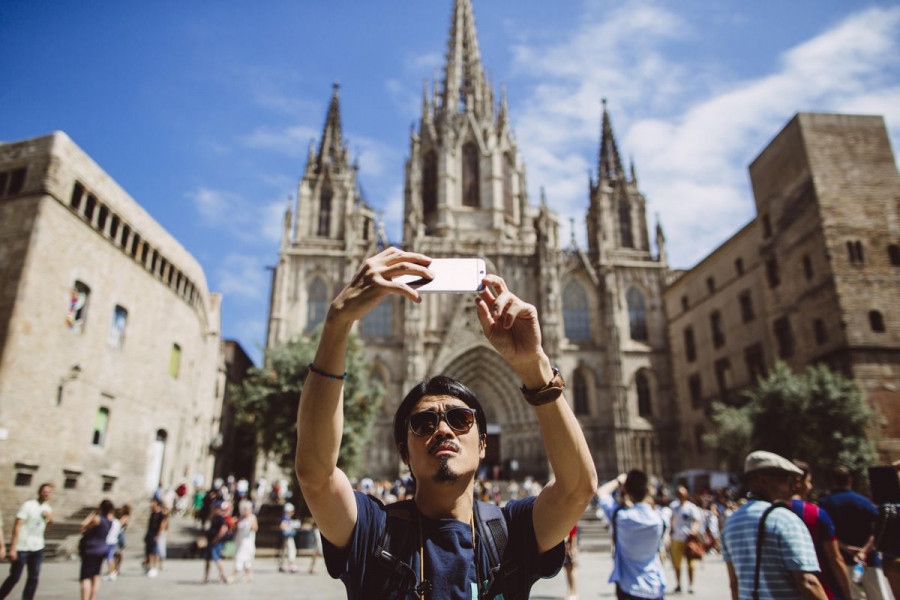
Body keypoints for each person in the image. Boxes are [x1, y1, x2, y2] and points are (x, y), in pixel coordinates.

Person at [294, 247, 598, 599]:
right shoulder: (373, 532)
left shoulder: (511, 533)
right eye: (423, 422)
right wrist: (337, 323)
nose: (443, 429)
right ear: (403, 452)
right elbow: (316, 476)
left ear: (484, 443)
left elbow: (578, 489)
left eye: (460, 418)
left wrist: (534, 365)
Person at [722, 450, 827, 600]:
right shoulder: (784, 519)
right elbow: (808, 582)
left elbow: (734, 584)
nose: (792, 486)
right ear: (763, 481)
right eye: (785, 480)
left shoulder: (731, 522)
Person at [819, 467, 893, 600]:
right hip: (869, 560)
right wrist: (864, 551)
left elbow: (826, 533)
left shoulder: (825, 504)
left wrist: (845, 547)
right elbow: (879, 529)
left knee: (853, 596)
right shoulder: (864, 502)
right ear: (850, 480)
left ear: (833, 482)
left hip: (842, 560)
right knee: (880, 596)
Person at [597, 471, 666, 600]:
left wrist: (618, 481)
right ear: (647, 491)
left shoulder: (621, 517)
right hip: (654, 584)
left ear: (627, 492)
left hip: (628, 586)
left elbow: (601, 493)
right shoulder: (660, 518)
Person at [790, 460, 853, 600]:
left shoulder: (767, 514)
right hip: (822, 590)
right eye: (809, 481)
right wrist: (848, 595)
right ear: (799, 482)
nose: (810, 486)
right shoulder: (815, 514)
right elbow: (835, 560)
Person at [0, 482, 53, 600]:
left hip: (38, 547)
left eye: (48, 492)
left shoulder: (48, 508)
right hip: (22, 547)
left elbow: (47, 529)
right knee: (15, 576)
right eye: (44, 491)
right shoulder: (28, 505)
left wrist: (49, 519)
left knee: (33, 577)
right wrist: (13, 548)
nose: (46, 494)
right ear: (39, 492)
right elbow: (17, 526)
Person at [670, 485, 702, 594]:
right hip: (677, 538)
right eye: (679, 495)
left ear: (686, 495)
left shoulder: (691, 507)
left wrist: (694, 530)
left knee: (690, 564)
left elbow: (697, 521)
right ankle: (678, 584)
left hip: (688, 539)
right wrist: (671, 530)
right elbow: (671, 519)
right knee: (677, 564)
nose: (680, 497)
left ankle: (691, 585)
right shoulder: (674, 506)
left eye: (682, 495)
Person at [78, 499, 113, 600]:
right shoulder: (109, 521)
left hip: (90, 550)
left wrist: (93, 513)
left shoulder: (97, 519)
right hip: (102, 550)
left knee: (85, 578)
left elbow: (83, 526)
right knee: (96, 576)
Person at [231, 500, 258, 583]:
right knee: (241, 558)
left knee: (244, 558)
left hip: (248, 542)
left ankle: (234, 575)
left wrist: (250, 524)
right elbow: (235, 529)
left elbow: (255, 528)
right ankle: (248, 575)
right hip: (240, 541)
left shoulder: (252, 518)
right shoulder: (240, 518)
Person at [203, 501, 230, 584]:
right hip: (210, 541)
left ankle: (223, 575)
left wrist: (217, 538)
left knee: (217, 558)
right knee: (208, 560)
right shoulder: (213, 517)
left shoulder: (220, 518)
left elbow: (224, 528)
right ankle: (206, 577)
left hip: (216, 542)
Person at [143, 497, 167, 577]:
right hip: (150, 533)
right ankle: (150, 567)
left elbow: (162, 525)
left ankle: (154, 567)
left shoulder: (160, 514)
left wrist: (158, 535)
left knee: (155, 551)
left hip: (156, 534)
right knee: (149, 551)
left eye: (153, 502)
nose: (152, 504)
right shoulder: (153, 513)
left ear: (157, 503)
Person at [108, 504, 130, 580]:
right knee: (116, 554)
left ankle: (116, 568)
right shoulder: (119, 516)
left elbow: (120, 523)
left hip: (120, 536)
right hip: (118, 535)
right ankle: (114, 568)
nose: (120, 510)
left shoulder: (125, 517)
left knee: (118, 553)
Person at [278, 503, 300, 573]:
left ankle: (282, 565)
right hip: (287, 536)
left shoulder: (286, 518)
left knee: (285, 551)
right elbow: (282, 526)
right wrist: (291, 525)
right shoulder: (285, 518)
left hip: (286, 536)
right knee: (291, 550)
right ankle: (291, 565)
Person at [563, 525, 579, 600]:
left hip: (570, 547)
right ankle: (569, 591)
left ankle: (573, 593)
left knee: (572, 571)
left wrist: (573, 547)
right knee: (567, 570)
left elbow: (573, 534)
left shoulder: (571, 522)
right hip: (566, 547)